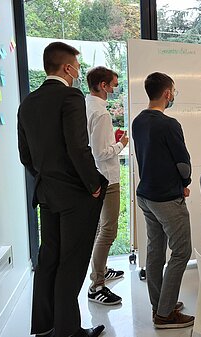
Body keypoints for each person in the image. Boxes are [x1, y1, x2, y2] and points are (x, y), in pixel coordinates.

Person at [18, 42, 107, 337]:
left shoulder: (27, 103)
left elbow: (26, 157)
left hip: (47, 193)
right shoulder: (70, 96)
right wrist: (93, 185)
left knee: (49, 259)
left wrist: (48, 179)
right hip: (75, 196)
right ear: (67, 68)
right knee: (72, 262)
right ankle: (68, 332)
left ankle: (45, 328)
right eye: (77, 67)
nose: (78, 72)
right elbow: (78, 148)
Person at [131, 72, 195, 329]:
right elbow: (183, 164)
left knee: (155, 252)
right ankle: (165, 314)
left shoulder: (138, 121)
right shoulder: (169, 125)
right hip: (167, 199)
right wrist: (185, 184)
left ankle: (160, 304)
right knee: (181, 251)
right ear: (167, 93)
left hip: (145, 195)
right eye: (173, 91)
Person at [85, 66, 128, 306]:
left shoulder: (87, 105)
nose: (114, 89)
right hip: (107, 177)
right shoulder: (101, 114)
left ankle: (100, 271)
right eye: (113, 84)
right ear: (103, 85)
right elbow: (101, 152)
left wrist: (113, 140)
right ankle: (97, 284)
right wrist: (120, 144)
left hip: (96, 175)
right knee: (108, 230)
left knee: (103, 228)